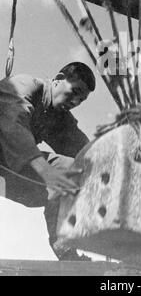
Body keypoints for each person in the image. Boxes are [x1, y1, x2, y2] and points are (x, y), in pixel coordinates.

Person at [0, 62, 96, 261]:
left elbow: (86, 153)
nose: (76, 101)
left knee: (74, 172)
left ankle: (64, 248)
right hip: (7, 157)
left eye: (82, 99)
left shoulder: (59, 116)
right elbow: (12, 126)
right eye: (75, 91)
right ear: (59, 79)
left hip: (7, 170)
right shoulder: (24, 85)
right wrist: (44, 170)